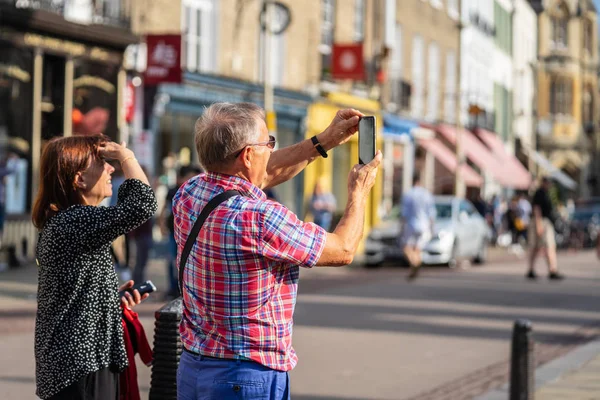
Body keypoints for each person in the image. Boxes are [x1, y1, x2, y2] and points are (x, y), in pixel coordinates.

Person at [173, 102, 380, 399]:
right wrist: (359, 192)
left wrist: (325, 140)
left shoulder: (190, 193)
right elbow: (343, 249)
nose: (271, 150)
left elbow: (263, 172)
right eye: (268, 143)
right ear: (247, 155)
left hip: (194, 366)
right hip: (245, 375)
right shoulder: (260, 218)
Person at [32, 135, 157, 399]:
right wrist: (126, 156)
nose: (111, 168)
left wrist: (111, 299)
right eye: (102, 162)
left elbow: (72, 293)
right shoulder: (75, 221)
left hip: (76, 362)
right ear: (79, 179)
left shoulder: (67, 222)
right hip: (81, 363)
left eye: (111, 162)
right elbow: (143, 204)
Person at [158, 164, 203, 299]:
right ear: (180, 178)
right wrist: (161, 225)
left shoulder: (200, 192)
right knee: (173, 260)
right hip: (174, 232)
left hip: (193, 235)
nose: (193, 181)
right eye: (189, 177)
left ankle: (185, 289)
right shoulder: (174, 191)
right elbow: (165, 210)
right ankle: (174, 289)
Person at [527, 177, 564, 280]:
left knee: (543, 247)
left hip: (544, 221)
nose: (549, 185)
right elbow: (536, 209)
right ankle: (551, 270)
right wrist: (539, 224)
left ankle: (549, 269)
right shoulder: (539, 193)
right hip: (541, 221)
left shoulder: (547, 193)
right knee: (547, 246)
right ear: (544, 183)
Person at [399, 173, 436, 280]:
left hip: (411, 224)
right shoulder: (427, 194)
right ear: (420, 181)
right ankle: (414, 269)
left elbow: (404, 214)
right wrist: (432, 228)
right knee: (417, 249)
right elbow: (431, 214)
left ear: (412, 181)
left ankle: (414, 264)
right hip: (424, 225)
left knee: (406, 248)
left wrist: (401, 228)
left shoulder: (408, 194)